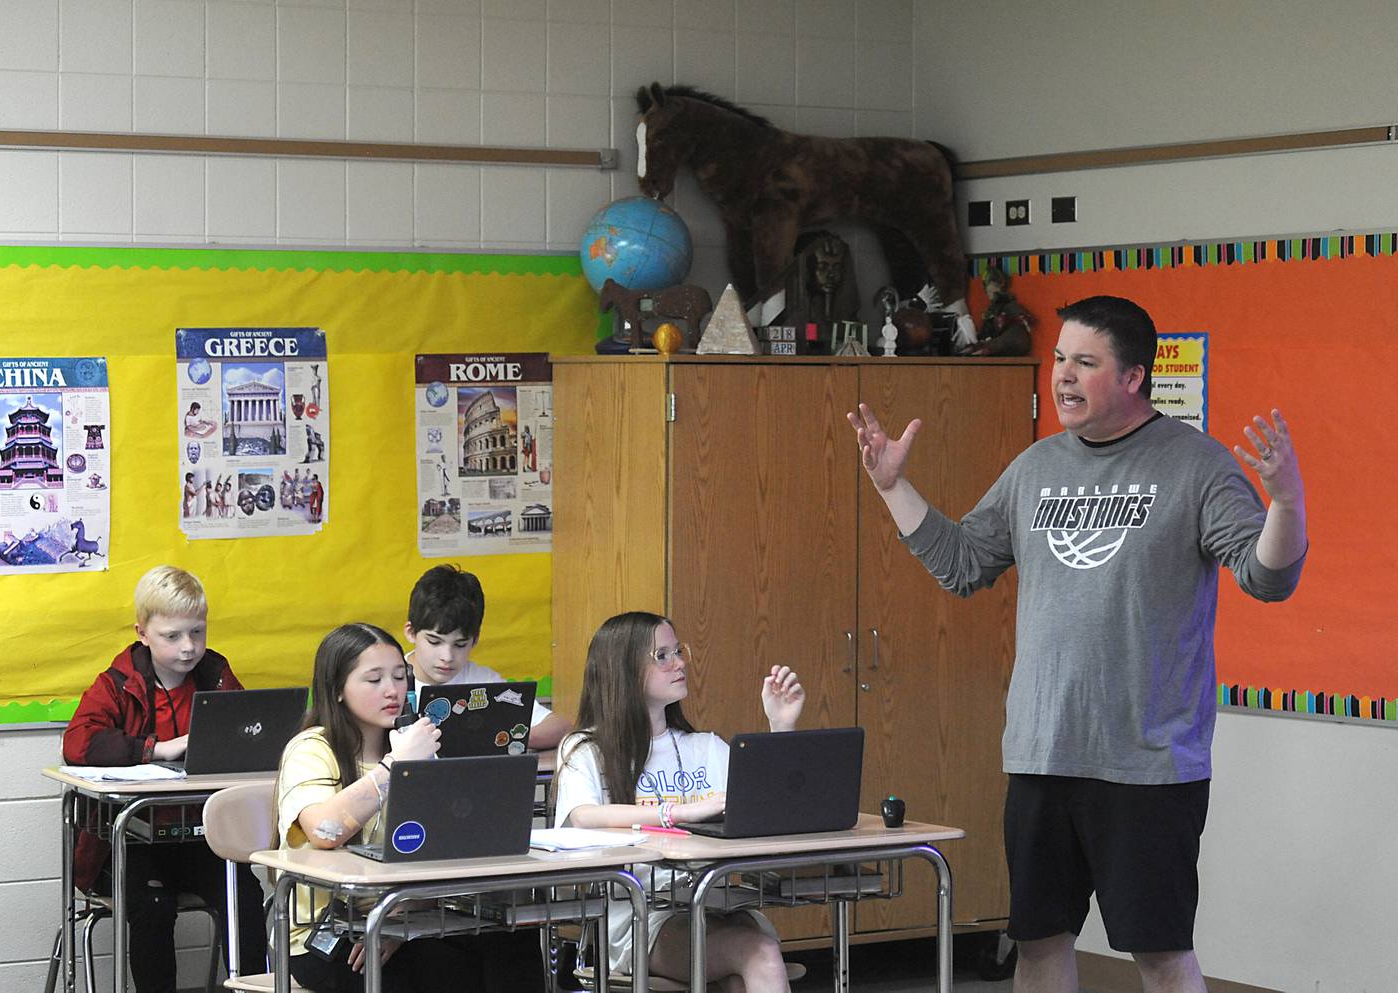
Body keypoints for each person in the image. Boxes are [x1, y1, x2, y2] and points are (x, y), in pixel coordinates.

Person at [847, 295, 1307, 993]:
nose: (1062, 375)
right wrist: (893, 486)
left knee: (1160, 953)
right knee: (1037, 943)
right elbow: (965, 563)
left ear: (1133, 377)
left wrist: (1286, 504)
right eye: (1060, 358)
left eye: (1085, 362)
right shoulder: (1035, 468)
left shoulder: (1196, 466)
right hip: (1042, 755)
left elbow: (1267, 578)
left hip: (1148, 765)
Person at [276, 623, 542, 993]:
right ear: (337, 689)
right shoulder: (312, 749)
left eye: (401, 676)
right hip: (329, 932)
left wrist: (406, 917)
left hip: (412, 916)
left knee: (513, 941)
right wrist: (394, 767)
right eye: (374, 680)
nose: (393, 690)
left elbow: (447, 845)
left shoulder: (420, 745)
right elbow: (324, 831)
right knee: (440, 970)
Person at [553, 611, 805, 991]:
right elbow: (582, 816)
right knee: (759, 954)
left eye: (678, 651)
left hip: (718, 904)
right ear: (623, 670)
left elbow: (773, 805)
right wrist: (677, 813)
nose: (680, 663)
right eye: (662, 656)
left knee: (739, 980)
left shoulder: (704, 747)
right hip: (643, 917)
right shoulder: (586, 748)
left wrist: (781, 727)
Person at [62, 565, 266, 993]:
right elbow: (78, 742)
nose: (189, 647)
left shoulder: (217, 676)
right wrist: (157, 749)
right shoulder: (118, 683)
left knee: (244, 894)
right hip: (131, 844)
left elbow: (248, 730)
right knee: (154, 908)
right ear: (142, 633)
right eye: (172, 636)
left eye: (197, 632)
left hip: (197, 837)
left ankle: (250, 988)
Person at [403, 564, 572, 749]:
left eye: (460, 645)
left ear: (475, 640)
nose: (447, 656)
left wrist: (503, 737)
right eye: (434, 642)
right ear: (411, 632)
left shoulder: (485, 682)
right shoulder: (389, 682)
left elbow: (560, 727)